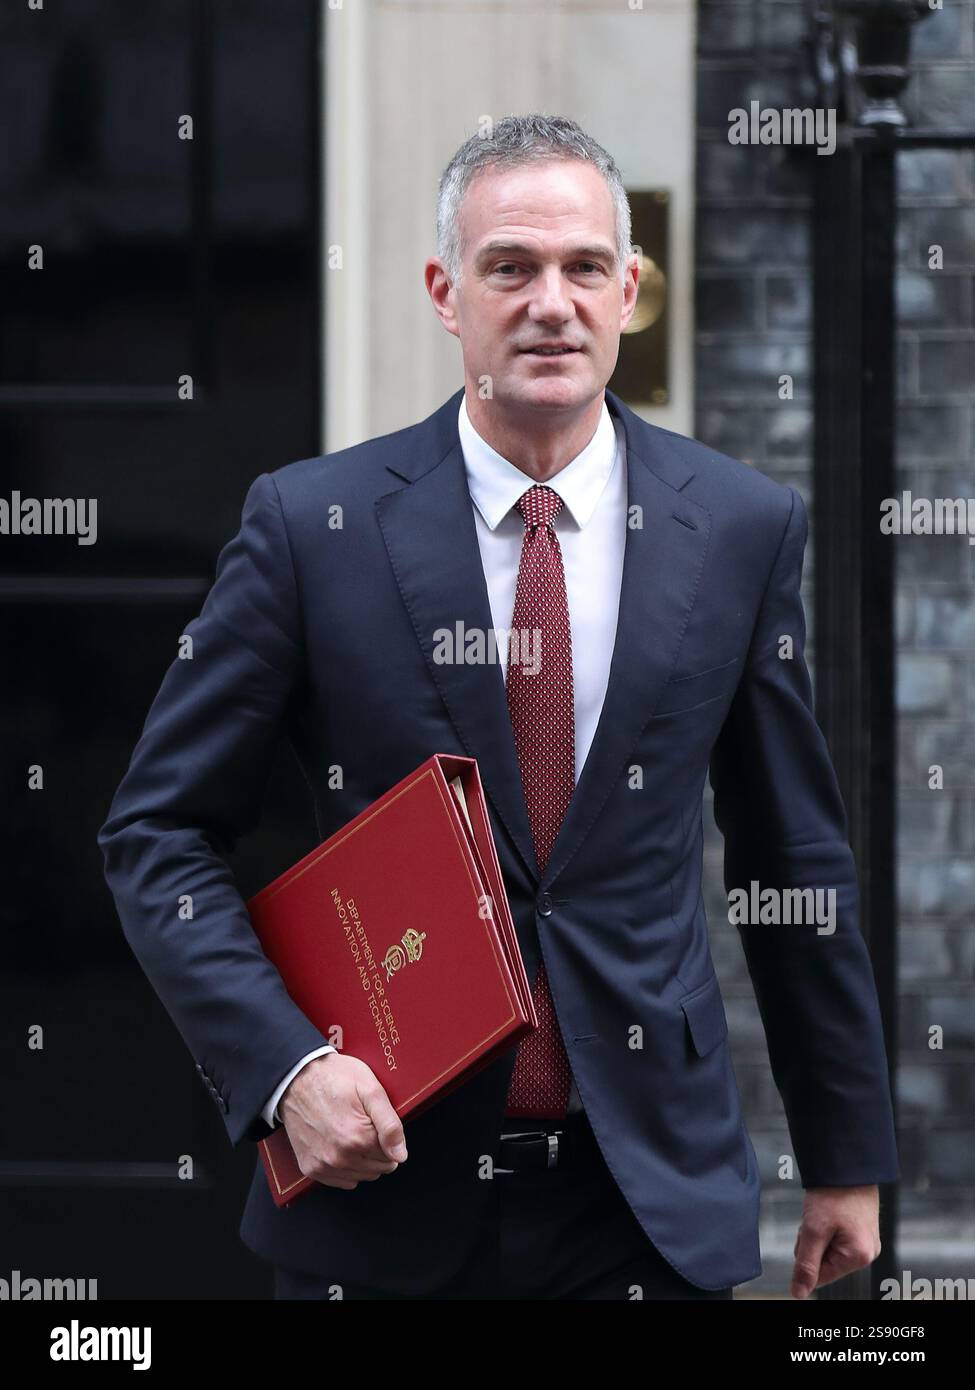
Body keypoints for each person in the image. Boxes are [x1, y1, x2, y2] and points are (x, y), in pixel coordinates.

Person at [98, 113, 898, 1301]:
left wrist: (845, 1155)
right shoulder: (310, 526)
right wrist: (285, 1073)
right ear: (445, 292)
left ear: (629, 290)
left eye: (584, 269)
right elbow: (154, 835)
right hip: (383, 1198)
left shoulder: (740, 528)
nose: (550, 302)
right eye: (509, 267)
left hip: (644, 1207)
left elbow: (792, 856)